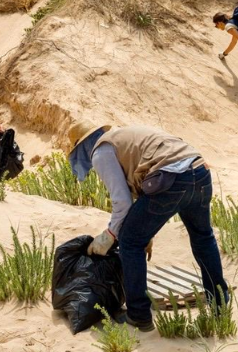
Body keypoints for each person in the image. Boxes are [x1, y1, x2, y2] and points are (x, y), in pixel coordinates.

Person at [67, 121, 229, 332]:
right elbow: (141, 194)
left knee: (130, 243)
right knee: (203, 238)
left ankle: (139, 316)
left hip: (172, 179)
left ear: (82, 147)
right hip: (199, 172)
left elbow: (122, 202)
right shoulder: (125, 137)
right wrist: (147, 234)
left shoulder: (100, 152)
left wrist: (110, 235)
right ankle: (219, 305)